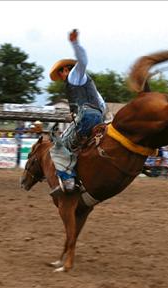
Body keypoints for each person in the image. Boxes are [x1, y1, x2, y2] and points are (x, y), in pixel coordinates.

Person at [48, 29, 106, 194]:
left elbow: (83, 60)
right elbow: (101, 105)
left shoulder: (75, 75)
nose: (61, 75)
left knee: (58, 147)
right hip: (97, 117)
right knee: (80, 149)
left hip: (87, 118)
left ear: (67, 69)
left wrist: (75, 43)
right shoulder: (87, 84)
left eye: (61, 71)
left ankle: (69, 182)